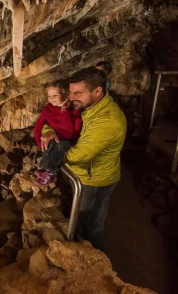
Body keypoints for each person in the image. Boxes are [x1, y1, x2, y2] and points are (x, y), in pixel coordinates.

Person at [41, 67, 127, 252]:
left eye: (77, 93)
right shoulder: (86, 105)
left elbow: (78, 155)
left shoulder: (108, 121)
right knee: (79, 219)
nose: (71, 98)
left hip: (94, 181)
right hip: (83, 176)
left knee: (90, 227)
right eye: (70, 92)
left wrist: (52, 155)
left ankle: (99, 267)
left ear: (97, 91)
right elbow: (52, 118)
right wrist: (48, 131)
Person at [33, 82, 82, 187]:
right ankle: (44, 169)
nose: (51, 98)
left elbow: (77, 124)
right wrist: (39, 141)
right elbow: (38, 125)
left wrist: (75, 140)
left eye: (55, 95)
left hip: (66, 138)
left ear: (64, 94)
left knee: (59, 146)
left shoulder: (71, 109)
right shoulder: (47, 109)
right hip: (53, 137)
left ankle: (50, 172)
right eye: (49, 96)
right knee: (49, 145)